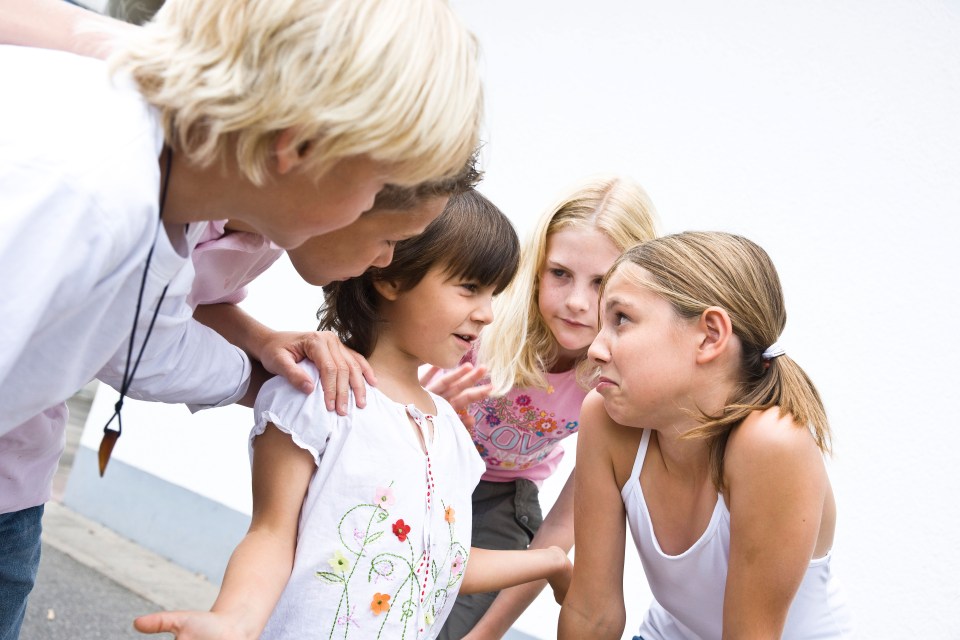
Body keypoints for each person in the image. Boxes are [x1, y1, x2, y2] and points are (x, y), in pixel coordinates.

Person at [0, 1, 482, 637]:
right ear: (300, 147)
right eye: (378, 185)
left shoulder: (153, 197)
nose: (375, 213)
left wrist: (273, 378)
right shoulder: (89, 192)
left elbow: (153, 341)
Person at [133, 190, 572, 640]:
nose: (487, 314)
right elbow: (270, 535)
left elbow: (443, 562)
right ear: (392, 276)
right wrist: (232, 621)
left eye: (494, 293)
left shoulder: (451, 432)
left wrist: (550, 559)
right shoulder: (319, 394)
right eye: (470, 288)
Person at [558, 232, 854, 639]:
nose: (595, 348)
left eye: (621, 319)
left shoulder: (771, 444)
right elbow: (593, 612)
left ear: (710, 335)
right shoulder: (606, 418)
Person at [429, 176, 659, 639]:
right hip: (428, 465)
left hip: (505, 497)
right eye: (560, 274)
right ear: (536, 268)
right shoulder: (486, 325)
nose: (576, 302)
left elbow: (561, 528)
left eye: (601, 283)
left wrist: (486, 633)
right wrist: (432, 414)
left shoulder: (615, 384)